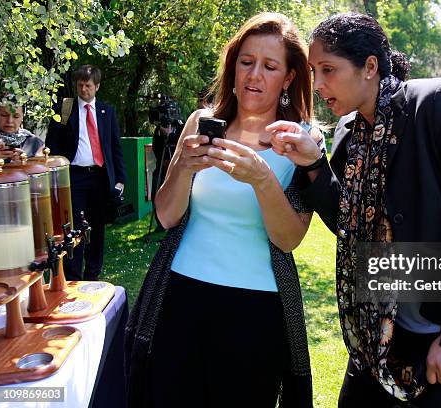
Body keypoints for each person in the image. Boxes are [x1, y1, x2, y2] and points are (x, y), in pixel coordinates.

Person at [268, 12, 441, 408]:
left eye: (328, 70)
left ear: (369, 66)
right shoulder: (350, 131)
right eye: (313, 71)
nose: (318, 85)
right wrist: (314, 165)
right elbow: (351, 222)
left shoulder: (439, 103)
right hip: (389, 332)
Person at [125, 12, 316, 407]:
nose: (254, 75)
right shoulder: (202, 122)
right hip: (179, 296)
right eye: (247, 62)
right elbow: (165, 215)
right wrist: (183, 167)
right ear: (233, 65)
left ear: (290, 76)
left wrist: (262, 179)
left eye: (270, 66)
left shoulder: (302, 139)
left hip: (255, 310)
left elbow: (289, 238)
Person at [45, 65, 126, 281]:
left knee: (97, 227)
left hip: (100, 177)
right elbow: (52, 144)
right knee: (74, 227)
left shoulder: (106, 111)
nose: (84, 90)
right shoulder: (65, 109)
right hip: (74, 177)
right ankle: (73, 276)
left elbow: (114, 147)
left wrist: (120, 179)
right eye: (80, 85)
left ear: (97, 86)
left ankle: (93, 275)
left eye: (88, 86)